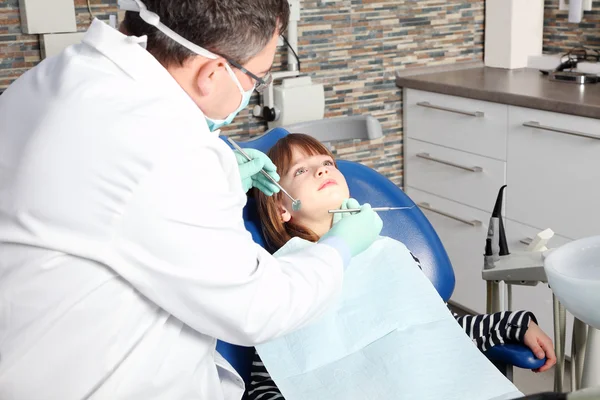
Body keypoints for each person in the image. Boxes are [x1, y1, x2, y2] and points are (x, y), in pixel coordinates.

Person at [0, 2, 383, 399]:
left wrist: (223, 182)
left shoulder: (54, 78)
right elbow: (260, 308)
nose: (252, 91)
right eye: (256, 77)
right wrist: (341, 247)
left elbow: (129, 211)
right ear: (213, 72)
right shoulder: (165, 150)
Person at [246, 134, 557, 400]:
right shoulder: (282, 279)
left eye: (327, 163)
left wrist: (511, 325)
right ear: (281, 207)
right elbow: (266, 385)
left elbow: (438, 329)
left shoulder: (389, 254)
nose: (320, 170)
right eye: (301, 170)